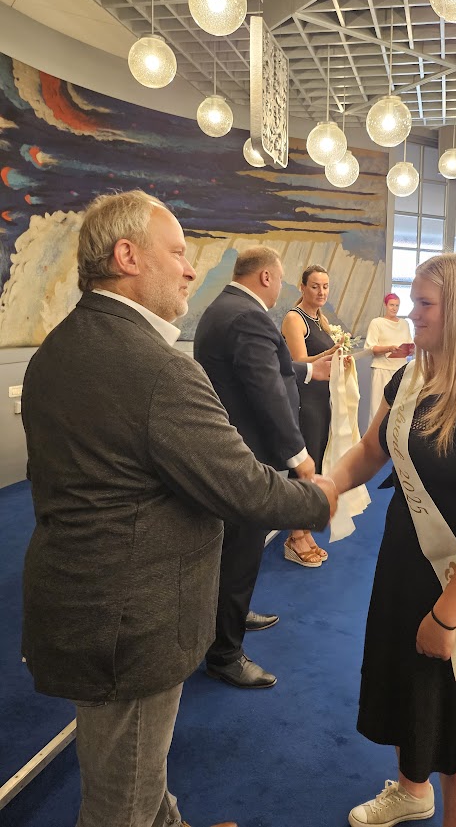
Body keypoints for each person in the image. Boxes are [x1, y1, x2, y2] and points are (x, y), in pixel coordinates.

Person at [21, 191, 337, 827]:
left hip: (85, 603)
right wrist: (324, 495)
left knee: (135, 770)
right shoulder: (156, 367)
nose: (191, 270)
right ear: (128, 256)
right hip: (133, 620)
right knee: (121, 804)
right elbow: (243, 489)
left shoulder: (61, 346)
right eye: (177, 253)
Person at [330, 252, 456, 827]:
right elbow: (371, 450)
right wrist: (327, 486)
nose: (413, 314)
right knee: (410, 684)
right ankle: (412, 789)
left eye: (425, 304)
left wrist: (447, 618)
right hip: (408, 558)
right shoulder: (411, 377)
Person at [194, 246, 333, 688]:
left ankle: (230, 614)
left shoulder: (225, 307)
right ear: (267, 277)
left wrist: (309, 373)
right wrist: (299, 455)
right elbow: (265, 389)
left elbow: (269, 368)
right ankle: (225, 654)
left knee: (237, 549)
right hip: (248, 454)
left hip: (232, 448)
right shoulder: (247, 315)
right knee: (240, 551)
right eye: (283, 278)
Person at [281, 264, 339, 566]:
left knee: (315, 464)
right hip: (305, 402)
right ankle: (295, 537)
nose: (321, 292)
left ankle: (303, 530)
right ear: (302, 287)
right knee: (302, 469)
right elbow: (299, 362)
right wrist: (332, 353)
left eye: (325, 286)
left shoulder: (321, 320)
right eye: (315, 286)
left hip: (321, 400)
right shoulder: (295, 318)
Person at [364, 293, 414, 426]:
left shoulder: (404, 324)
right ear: (385, 305)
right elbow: (370, 348)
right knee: (377, 406)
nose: (394, 308)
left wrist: (411, 349)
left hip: (400, 369)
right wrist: (389, 348)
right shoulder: (377, 323)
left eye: (397, 305)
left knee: (399, 407)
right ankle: (374, 436)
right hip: (382, 368)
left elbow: (409, 344)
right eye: (392, 305)